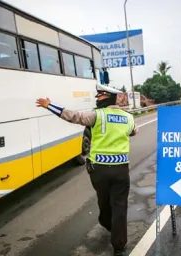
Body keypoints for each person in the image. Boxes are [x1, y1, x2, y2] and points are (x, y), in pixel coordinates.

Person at [36, 83, 138, 256]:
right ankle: (119, 246)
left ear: (107, 98)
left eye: (100, 97)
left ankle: (108, 224)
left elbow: (73, 116)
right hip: (121, 170)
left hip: (99, 171)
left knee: (104, 203)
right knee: (120, 206)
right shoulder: (128, 118)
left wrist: (49, 105)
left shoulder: (96, 116)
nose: (97, 99)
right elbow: (133, 132)